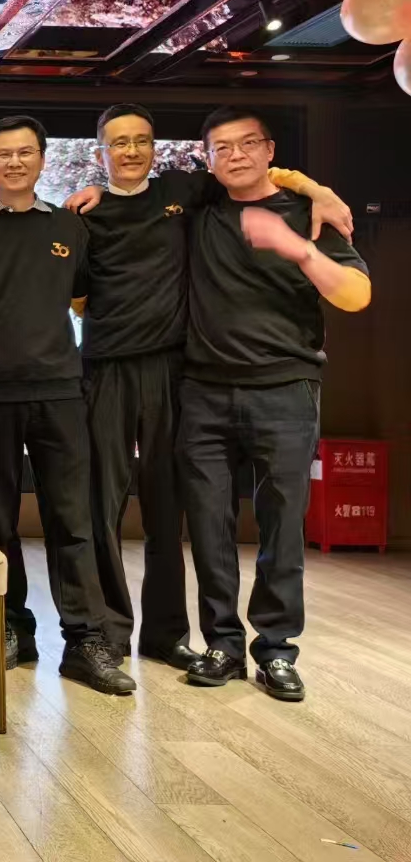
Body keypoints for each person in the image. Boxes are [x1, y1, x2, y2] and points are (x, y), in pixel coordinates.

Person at [55, 104, 352, 668]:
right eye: (118, 143)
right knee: (102, 507)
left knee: (169, 508)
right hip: (106, 368)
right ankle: (109, 632)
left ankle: (166, 634)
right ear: (101, 153)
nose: (131, 151)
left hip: (174, 368)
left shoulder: (184, 191)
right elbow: (73, 291)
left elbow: (254, 171)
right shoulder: (82, 214)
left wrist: (318, 190)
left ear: (154, 146)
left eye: (141, 140)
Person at [178, 108, 370, 701]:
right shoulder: (201, 208)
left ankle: (277, 649)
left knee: (283, 526)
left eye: (247, 144)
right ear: (208, 158)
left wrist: (299, 249)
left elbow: (357, 295)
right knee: (208, 525)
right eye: (222, 148)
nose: (235, 155)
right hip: (203, 390)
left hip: (287, 388)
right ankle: (222, 644)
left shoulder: (309, 216)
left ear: (269, 149)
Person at [0, 115, 133, 695]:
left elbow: (81, 297)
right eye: (2, 154)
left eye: (25, 152)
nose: (14, 162)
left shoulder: (69, 226)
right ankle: (12, 629)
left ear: (41, 159)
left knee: (72, 519)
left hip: (60, 390)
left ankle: (84, 639)